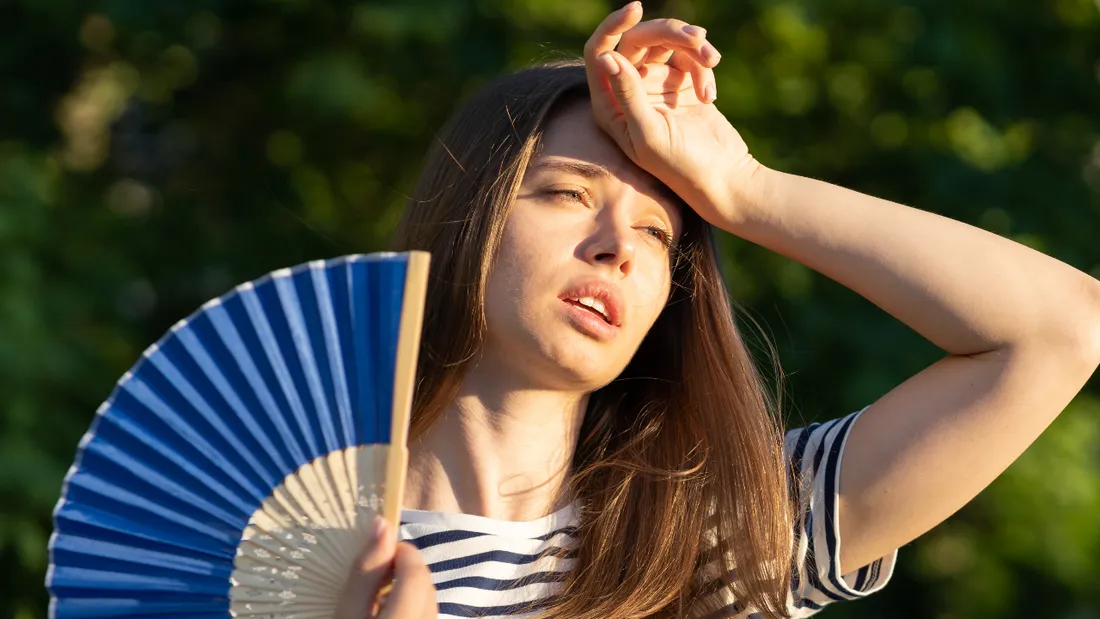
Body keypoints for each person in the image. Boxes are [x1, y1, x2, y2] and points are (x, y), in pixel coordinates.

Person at [334, 3, 1100, 618]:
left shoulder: (709, 540)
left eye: (657, 232)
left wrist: (742, 189)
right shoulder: (270, 550)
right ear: (469, 215)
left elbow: (1060, 330)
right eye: (569, 193)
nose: (617, 248)